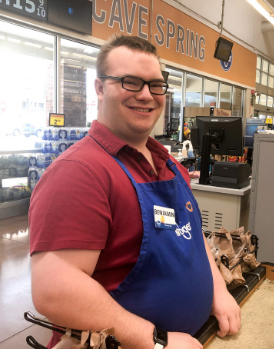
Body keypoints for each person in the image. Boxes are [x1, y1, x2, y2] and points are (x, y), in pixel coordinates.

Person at [29, 35, 241, 349]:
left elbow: (192, 239)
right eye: (131, 82)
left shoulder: (168, 164)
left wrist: (218, 293)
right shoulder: (79, 172)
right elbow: (54, 291)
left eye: (156, 85)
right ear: (100, 88)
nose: (146, 95)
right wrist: (155, 342)